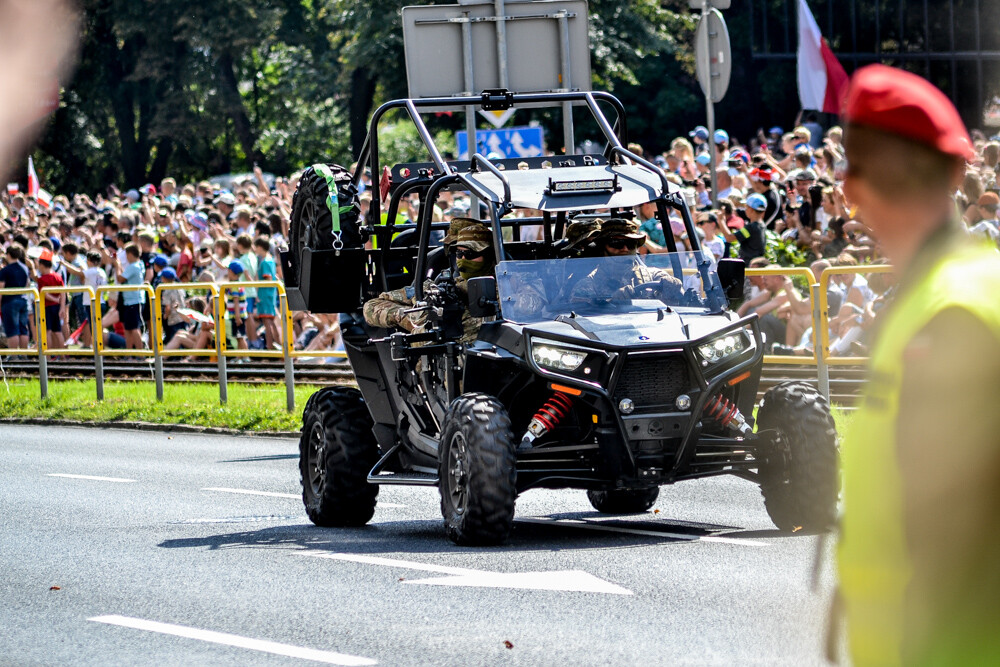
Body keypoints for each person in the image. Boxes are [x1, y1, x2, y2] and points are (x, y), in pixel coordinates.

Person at [837, 64, 1000, 665]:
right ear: (959, 172)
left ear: (850, 189)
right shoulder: (970, 289)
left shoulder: (944, 315)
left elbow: (951, 544)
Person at [363, 221, 494, 344]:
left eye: (470, 254)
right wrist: (413, 317)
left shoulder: (503, 287)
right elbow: (371, 307)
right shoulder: (440, 285)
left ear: (488, 254)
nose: (463, 259)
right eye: (458, 253)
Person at [570, 219, 684, 304]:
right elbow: (581, 324)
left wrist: (674, 290)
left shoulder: (654, 276)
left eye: (631, 244)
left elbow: (681, 308)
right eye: (617, 244)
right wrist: (611, 305)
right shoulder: (587, 285)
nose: (625, 249)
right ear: (602, 247)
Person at [112, 243, 146, 350]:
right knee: (128, 328)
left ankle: (140, 354)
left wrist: (117, 266)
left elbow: (120, 278)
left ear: (130, 254)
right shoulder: (139, 264)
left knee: (134, 328)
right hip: (131, 301)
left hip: (133, 301)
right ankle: (130, 352)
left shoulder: (133, 266)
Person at [0, 243, 30, 349]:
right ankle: (24, 355)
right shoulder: (25, 268)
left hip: (9, 302)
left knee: (12, 330)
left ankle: (13, 355)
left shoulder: (5, 270)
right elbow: (27, 284)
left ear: (8, 255)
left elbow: (1, 289)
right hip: (23, 299)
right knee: (23, 329)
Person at [36, 249, 66, 351]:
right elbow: (63, 292)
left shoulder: (42, 279)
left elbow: (44, 293)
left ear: (42, 265)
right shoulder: (58, 277)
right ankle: (63, 356)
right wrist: (62, 306)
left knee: (47, 331)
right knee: (57, 331)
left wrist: (55, 300)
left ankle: (47, 357)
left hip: (47, 307)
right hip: (57, 307)